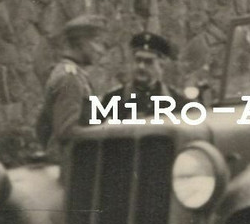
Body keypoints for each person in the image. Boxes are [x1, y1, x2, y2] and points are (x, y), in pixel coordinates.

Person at [34, 14, 104, 162]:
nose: (100, 50)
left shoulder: (74, 74)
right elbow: (67, 132)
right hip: (68, 165)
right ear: (80, 43)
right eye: (96, 42)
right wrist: (105, 131)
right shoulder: (70, 78)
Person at [99, 31, 187, 121]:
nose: (141, 66)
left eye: (148, 62)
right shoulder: (111, 100)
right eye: (138, 60)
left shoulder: (178, 103)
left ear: (161, 65)